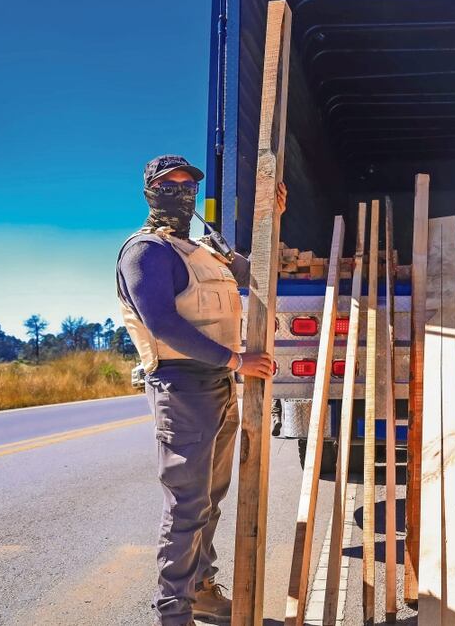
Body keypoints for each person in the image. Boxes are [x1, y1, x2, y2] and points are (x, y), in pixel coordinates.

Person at [117, 154, 285, 626]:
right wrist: (238, 361)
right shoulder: (145, 252)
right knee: (187, 504)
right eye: (170, 184)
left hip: (218, 385)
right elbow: (163, 324)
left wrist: (273, 218)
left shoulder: (204, 251)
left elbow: (259, 274)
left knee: (210, 498)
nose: (182, 192)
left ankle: (201, 591)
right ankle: (173, 613)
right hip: (182, 387)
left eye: (188, 184)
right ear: (150, 190)